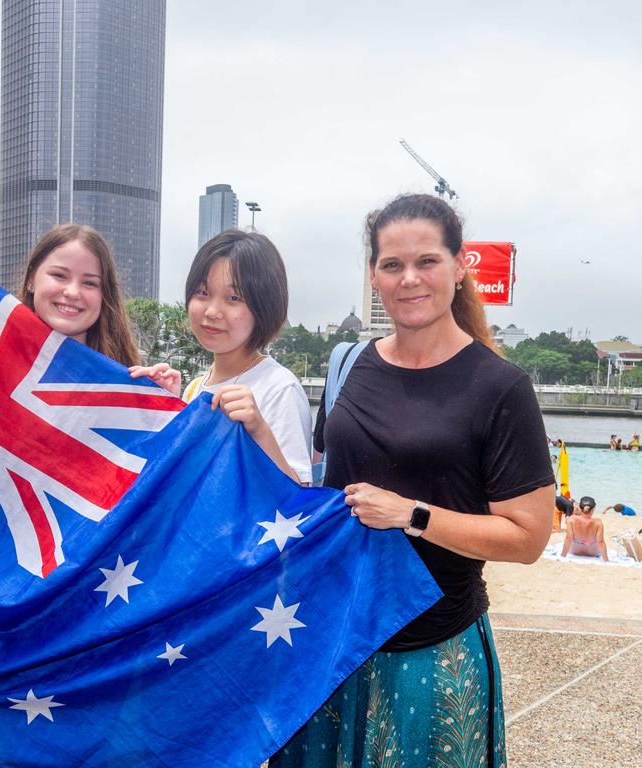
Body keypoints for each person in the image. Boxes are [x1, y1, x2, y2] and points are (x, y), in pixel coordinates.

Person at [271, 194, 553, 768]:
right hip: (333, 638)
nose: (410, 279)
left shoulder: (500, 388)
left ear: (460, 265)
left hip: (431, 647)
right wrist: (253, 429)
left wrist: (413, 514)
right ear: (373, 274)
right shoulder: (347, 363)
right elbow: (321, 497)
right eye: (393, 265)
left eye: (427, 261)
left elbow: (527, 539)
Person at [176, 230, 313, 484]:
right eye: (203, 293)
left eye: (233, 298)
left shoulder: (279, 388)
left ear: (264, 306)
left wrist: (259, 430)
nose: (213, 311)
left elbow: (300, 498)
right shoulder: (195, 387)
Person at [18, 223, 141, 368]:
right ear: (31, 279)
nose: (73, 292)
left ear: (105, 294)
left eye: (89, 283)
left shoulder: (123, 383)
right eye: (59, 275)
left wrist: (160, 389)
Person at [561, 496, 608, 560]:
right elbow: (601, 542)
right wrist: (606, 560)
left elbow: (568, 539)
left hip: (575, 552)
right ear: (593, 509)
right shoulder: (598, 523)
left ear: (580, 508)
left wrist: (562, 556)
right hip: (592, 553)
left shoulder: (571, 519)